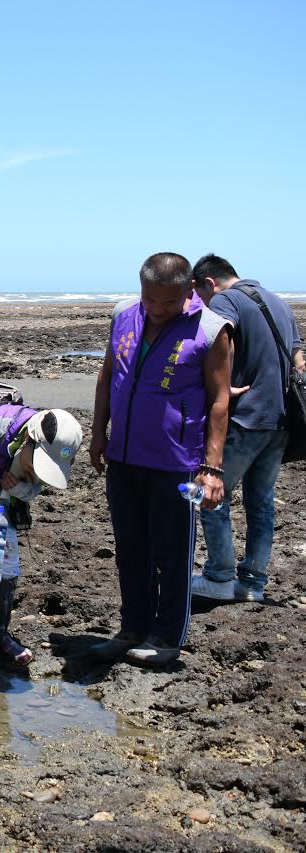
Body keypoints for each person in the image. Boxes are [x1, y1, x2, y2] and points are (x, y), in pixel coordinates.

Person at [88, 252, 231, 667]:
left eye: (167, 303)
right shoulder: (124, 316)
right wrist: (100, 432)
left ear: (189, 291)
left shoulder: (210, 328)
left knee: (172, 553)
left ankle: (167, 637)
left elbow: (220, 400)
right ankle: (132, 627)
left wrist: (212, 466)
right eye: (149, 299)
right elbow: (107, 374)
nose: (156, 310)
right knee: (130, 548)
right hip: (125, 457)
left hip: (178, 462)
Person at [190, 254, 305, 603]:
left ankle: (220, 576)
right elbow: (298, 355)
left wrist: (222, 385)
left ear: (209, 283)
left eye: (200, 296)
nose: (202, 304)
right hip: (281, 418)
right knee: (261, 503)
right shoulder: (278, 301)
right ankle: (253, 582)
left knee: (210, 496)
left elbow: (218, 340)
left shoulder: (226, 300)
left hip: (246, 417)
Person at [0, 402, 83, 665]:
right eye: (36, 466)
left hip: (0, 504)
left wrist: (21, 489)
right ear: (28, 439)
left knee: (8, 566)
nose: (36, 474)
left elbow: (33, 489)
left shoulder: (33, 450)